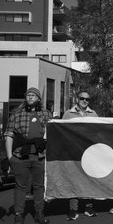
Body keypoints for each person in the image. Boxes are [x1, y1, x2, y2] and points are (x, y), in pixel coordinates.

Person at [5, 87, 52, 224]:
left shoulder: (46, 114)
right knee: (20, 186)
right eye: (28, 95)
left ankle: (39, 214)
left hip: (39, 156)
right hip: (20, 156)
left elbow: (53, 134)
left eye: (33, 95)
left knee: (39, 186)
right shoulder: (16, 114)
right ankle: (18, 216)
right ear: (25, 98)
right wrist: (10, 157)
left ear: (38, 98)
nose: (30, 97)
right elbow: (9, 135)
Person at [62, 91, 98, 221]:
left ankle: (89, 208)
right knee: (74, 180)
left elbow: (97, 132)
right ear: (77, 99)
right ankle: (73, 210)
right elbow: (61, 131)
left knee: (89, 180)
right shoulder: (68, 114)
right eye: (82, 98)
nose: (84, 101)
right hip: (73, 153)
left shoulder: (93, 114)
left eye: (87, 99)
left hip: (89, 153)